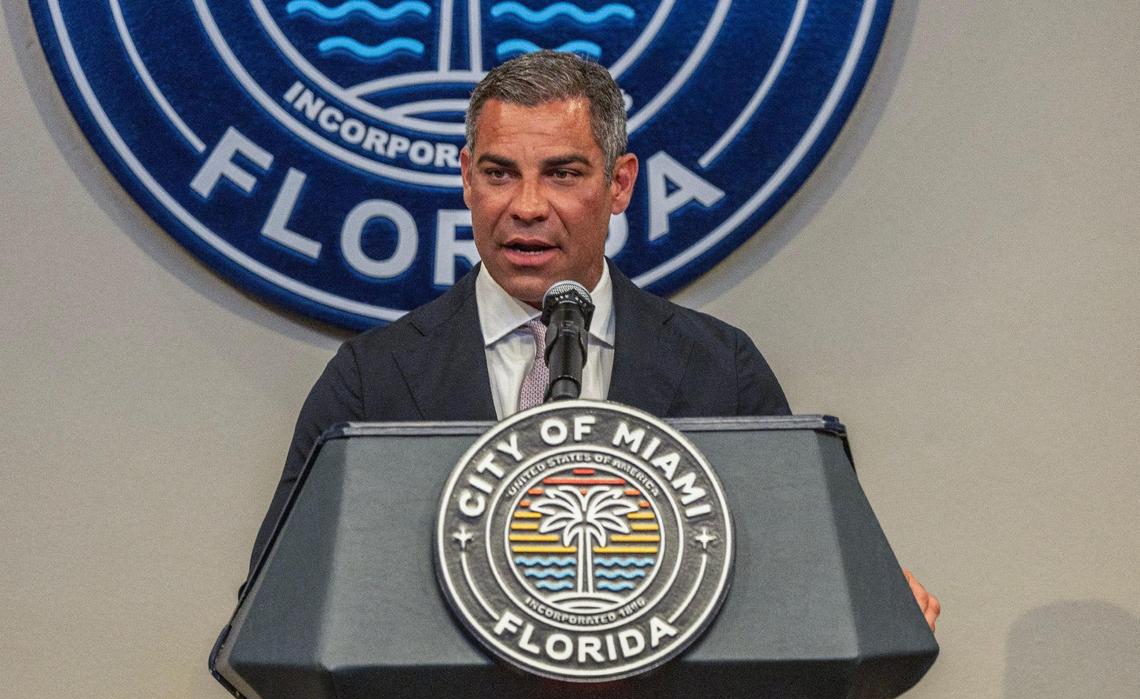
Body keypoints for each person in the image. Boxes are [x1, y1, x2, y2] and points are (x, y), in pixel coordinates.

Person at [248, 51, 939, 631]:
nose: (526, 206)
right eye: (499, 173)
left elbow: (801, 581)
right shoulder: (372, 379)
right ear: (466, 179)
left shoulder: (720, 369)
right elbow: (272, 613)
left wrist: (868, 601)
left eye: (563, 173)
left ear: (619, 183)